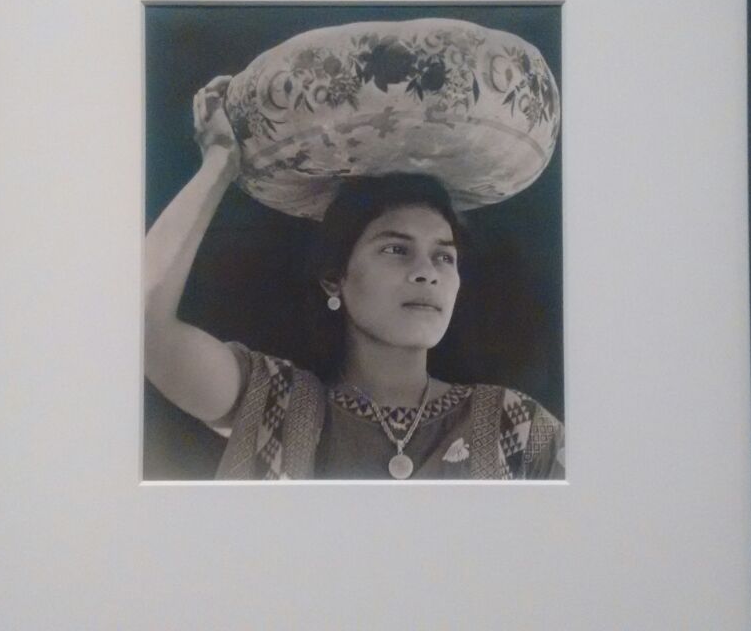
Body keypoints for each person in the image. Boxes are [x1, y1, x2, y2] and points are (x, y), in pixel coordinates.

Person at [144, 76, 564, 480]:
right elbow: (144, 328)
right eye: (396, 250)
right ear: (334, 279)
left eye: (444, 257)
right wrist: (219, 161)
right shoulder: (275, 403)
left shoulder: (518, 430)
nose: (427, 273)